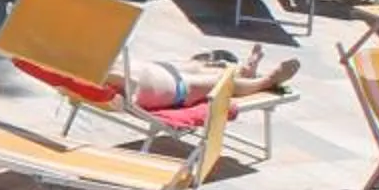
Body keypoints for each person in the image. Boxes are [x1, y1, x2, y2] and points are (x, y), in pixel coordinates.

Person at [125, 49, 299, 111]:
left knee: (207, 74)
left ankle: (264, 81)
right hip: (170, 80)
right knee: (205, 73)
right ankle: (242, 72)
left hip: (170, 78)